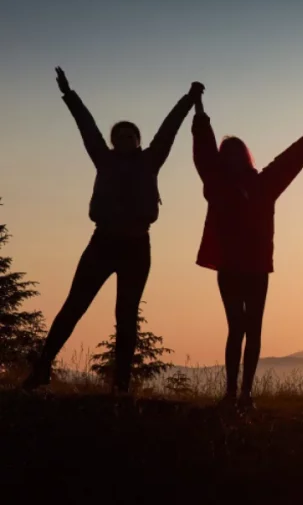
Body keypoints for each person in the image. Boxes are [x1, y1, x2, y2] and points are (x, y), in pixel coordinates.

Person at [23, 68, 200, 394]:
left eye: (129, 136)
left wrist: (188, 100)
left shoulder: (151, 159)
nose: (123, 140)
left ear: (137, 141)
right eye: (118, 136)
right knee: (74, 306)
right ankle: (42, 367)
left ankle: (121, 384)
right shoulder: (103, 159)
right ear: (113, 142)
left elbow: (168, 129)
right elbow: (86, 128)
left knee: (126, 316)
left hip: (136, 246)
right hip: (102, 243)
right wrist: (70, 95)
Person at [191, 95, 303, 411]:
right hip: (231, 268)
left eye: (237, 153)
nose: (233, 158)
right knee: (237, 327)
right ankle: (232, 393)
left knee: (253, 329)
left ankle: (245, 394)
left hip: (257, 268)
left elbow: (286, 163)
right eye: (228, 154)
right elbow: (204, 151)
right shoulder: (217, 183)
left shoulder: (263, 184)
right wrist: (199, 112)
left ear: (244, 157)